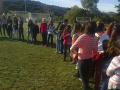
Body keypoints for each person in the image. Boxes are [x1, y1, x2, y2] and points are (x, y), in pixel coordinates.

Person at [70, 21, 98, 90]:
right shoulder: (95, 38)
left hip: (82, 61)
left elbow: (72, 48)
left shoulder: (82, 37)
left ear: (86, 28)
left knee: (84, 81)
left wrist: (76, 53)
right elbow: (95, 50)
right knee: (86, 79)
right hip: (89, 60)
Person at [88, 23, 109, 90]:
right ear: (103, 28)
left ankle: (84, 84)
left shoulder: (93, 34)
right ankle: (96, 87)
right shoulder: (106, 36)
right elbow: (107, 47)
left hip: (93, 52)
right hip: (101, 54)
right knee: (98, 71)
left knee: (90, 69)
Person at [100, 25, 120, 90]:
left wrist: (104, 52)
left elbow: (106, 51)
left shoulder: (107, 41)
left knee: (104, 83)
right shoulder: (118, 43)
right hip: (115, 65)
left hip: (106, 64)